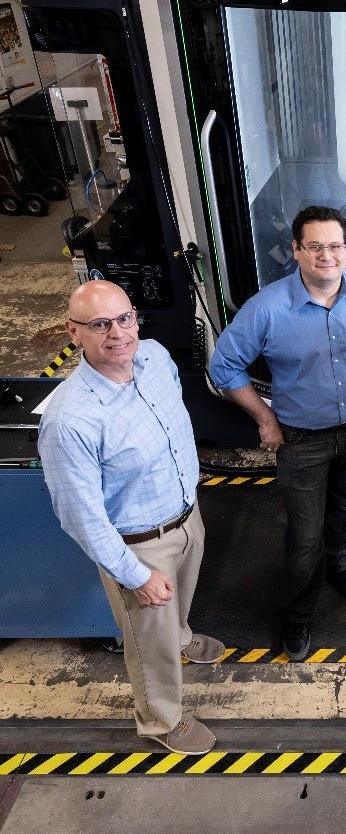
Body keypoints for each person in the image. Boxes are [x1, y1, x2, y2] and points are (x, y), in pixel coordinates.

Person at [210, 205, 346, 661]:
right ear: (297, 251)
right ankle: (300, 615)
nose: (327, 256)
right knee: (304, 535)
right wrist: (265, 419)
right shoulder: (266, 309)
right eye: (316, 247)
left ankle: (340, 567)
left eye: (336, 246)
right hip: (301, 439)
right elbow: (222, 367)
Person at [38, 279, 225, 755]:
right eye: (99, 324)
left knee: (173, 611)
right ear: (73, 332)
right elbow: (79, 515)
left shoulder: (155, 358)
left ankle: (180, 637)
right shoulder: (70, 420)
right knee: (146, 640)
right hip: (139, 543)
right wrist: (135, 574)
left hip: (185, 514)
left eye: (124, 318)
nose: (117, 333)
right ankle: (161, 719)